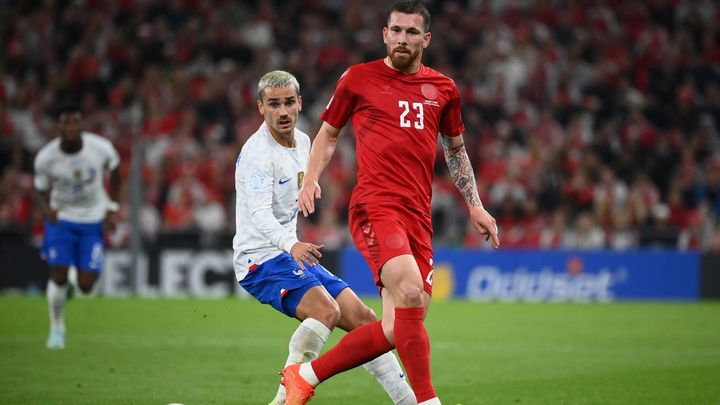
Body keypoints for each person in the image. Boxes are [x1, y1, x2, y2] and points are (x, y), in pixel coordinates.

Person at [285, 1, 501, 404]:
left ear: (426, 39)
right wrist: (311, 178)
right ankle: (427, 401)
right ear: (384, 34)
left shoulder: (443, 89)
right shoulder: (358, 79)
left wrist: (474, 203)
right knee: (406, 289)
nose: (403, 38)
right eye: (396, 30)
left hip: (418, 216)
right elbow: (328, 134)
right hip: (375, 206)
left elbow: (455, 151)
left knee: (399, 323)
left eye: (412, 32)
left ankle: (306, 374)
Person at [232, 70, 415, 405]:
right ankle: (286, 400)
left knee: (365, 322)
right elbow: (258, 216)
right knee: (325, 311)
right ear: (261, 107)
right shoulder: (258, 155)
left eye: (289, 102)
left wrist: (310, 187)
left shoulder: (303, 142)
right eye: (274, 104)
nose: (283, 111)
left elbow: (309, 177)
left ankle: (410, 402)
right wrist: (293, 244)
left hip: (288, 254)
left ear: (300, 102)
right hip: (259, 259)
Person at [33, 104, 122, 349]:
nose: (71, 128)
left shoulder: (99, 148)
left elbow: (115, 169)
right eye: (66, 123)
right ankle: (57, 329)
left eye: (75, 123)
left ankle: (74, 281)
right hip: (62, 219)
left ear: (81, 126)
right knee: (58, 275)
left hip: (93, 219)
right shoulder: (46, 158)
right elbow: (39, 188)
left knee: (86, 286)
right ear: (59, 127)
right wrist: (46, 210)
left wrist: (112, 207)